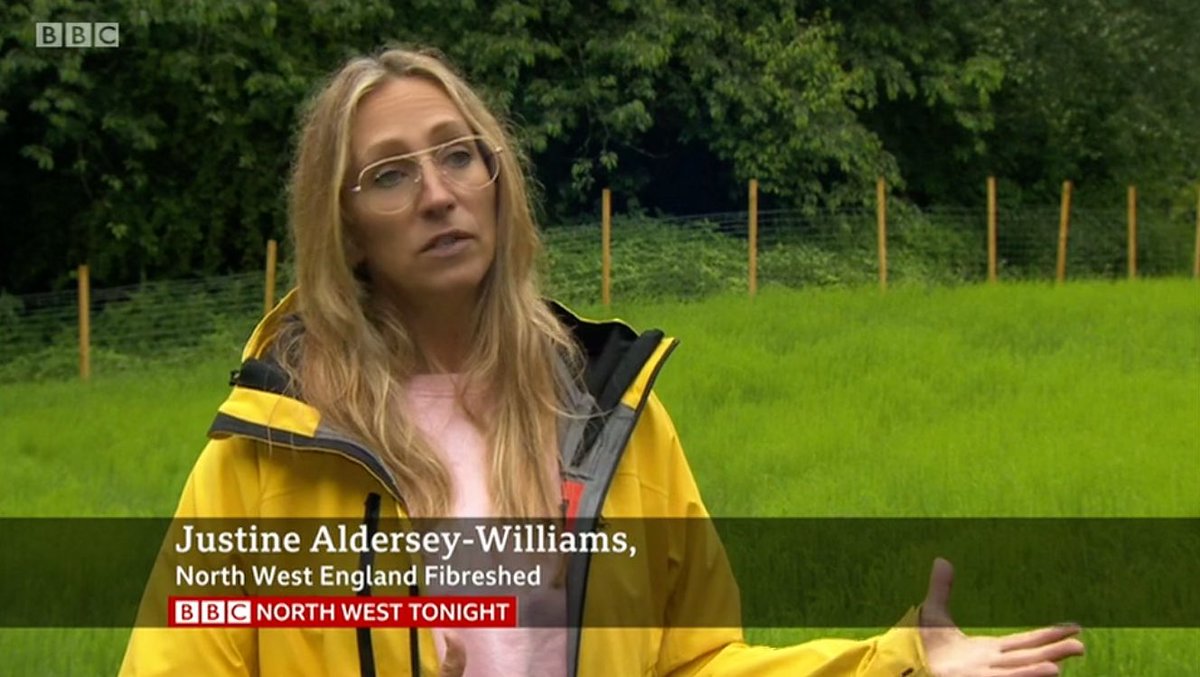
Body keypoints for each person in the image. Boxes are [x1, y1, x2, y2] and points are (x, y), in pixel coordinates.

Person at [119, 46, 1084, 677]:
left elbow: (695, 663)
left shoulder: (613, 419)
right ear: (347, 231)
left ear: (500, 184)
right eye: (389, 173)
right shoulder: (269, 452)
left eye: (459, 155)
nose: (437, 193)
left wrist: (901, 662)